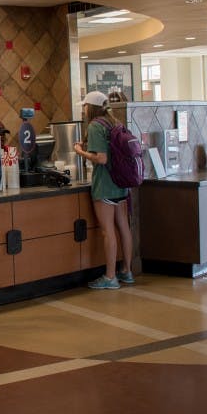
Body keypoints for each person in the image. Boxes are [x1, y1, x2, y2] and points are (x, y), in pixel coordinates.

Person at [73, 90, 134, 290]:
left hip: (105, 185)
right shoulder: (115, 123)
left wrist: (80, 151)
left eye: (85, 106)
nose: (83, 110)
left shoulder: (95, 126)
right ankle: (127, 270)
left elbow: (101, 158)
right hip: (121, 183)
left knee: (108, 231)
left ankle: (110, 276)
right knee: (123, 227)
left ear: (91, 108)